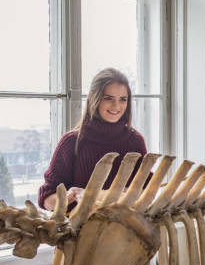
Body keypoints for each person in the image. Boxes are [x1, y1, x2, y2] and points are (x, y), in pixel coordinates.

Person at [38, 67, 147, 211]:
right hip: (80, 230)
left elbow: (145, 189)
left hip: (124, 230)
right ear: (94, 99)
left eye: (123, 99)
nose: (117, 106)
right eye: (108, 98)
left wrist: (91, 195)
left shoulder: (135, 141)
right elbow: (46, 197)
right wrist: (69, 198)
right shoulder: (72, 141)